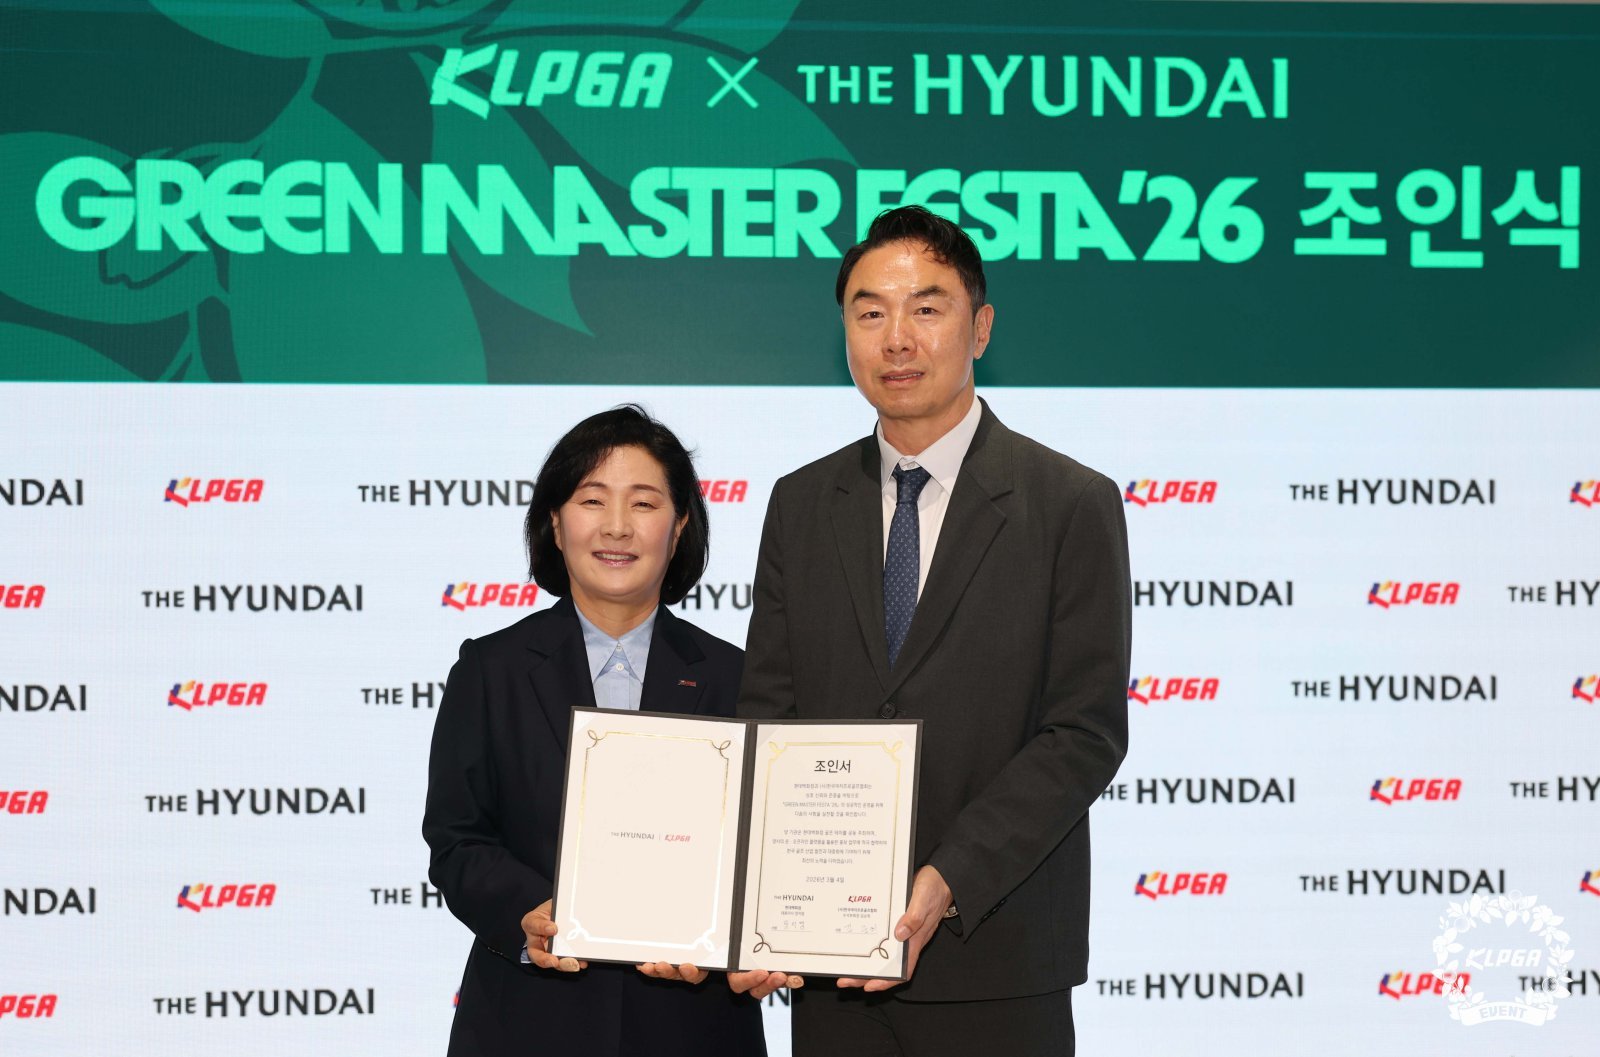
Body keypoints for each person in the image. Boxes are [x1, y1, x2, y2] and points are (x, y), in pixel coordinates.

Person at [731, 206, 1131, 1055]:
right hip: (830, 961)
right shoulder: (801, 503)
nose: (897, 338)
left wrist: (949, 875)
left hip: (997, 951)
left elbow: (1083, 731)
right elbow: (769, 715)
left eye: (926, 307)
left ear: (979, 328)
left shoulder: (1070, 503)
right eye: (870, 312)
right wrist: (760, 904)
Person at [423, 406, 767, 1057]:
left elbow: (765, 854)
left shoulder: (739, 678)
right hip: (528, 1023)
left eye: (644, 503)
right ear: (555, 522)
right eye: (591, 500)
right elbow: (457, 839)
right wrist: (530, 913)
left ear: (680, 525)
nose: (616, 526)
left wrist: (733, 939)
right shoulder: (491, 670)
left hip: (693, 1025)